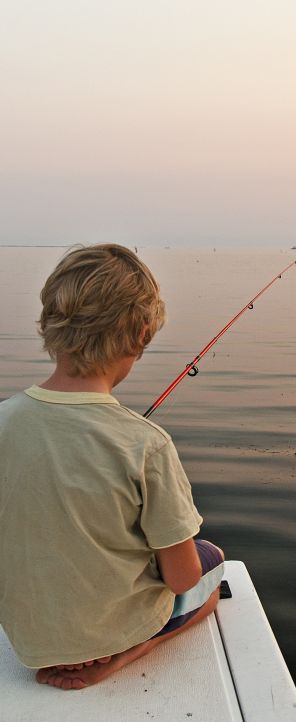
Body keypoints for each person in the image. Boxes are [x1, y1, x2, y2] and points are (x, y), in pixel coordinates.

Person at [0, 243, 225, 690]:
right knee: (212, 570)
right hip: (109, 634)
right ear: (141, 334)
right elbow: (182, 578)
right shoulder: (147, 444)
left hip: (29, 639)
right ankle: (133, 650)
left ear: (49, 324)